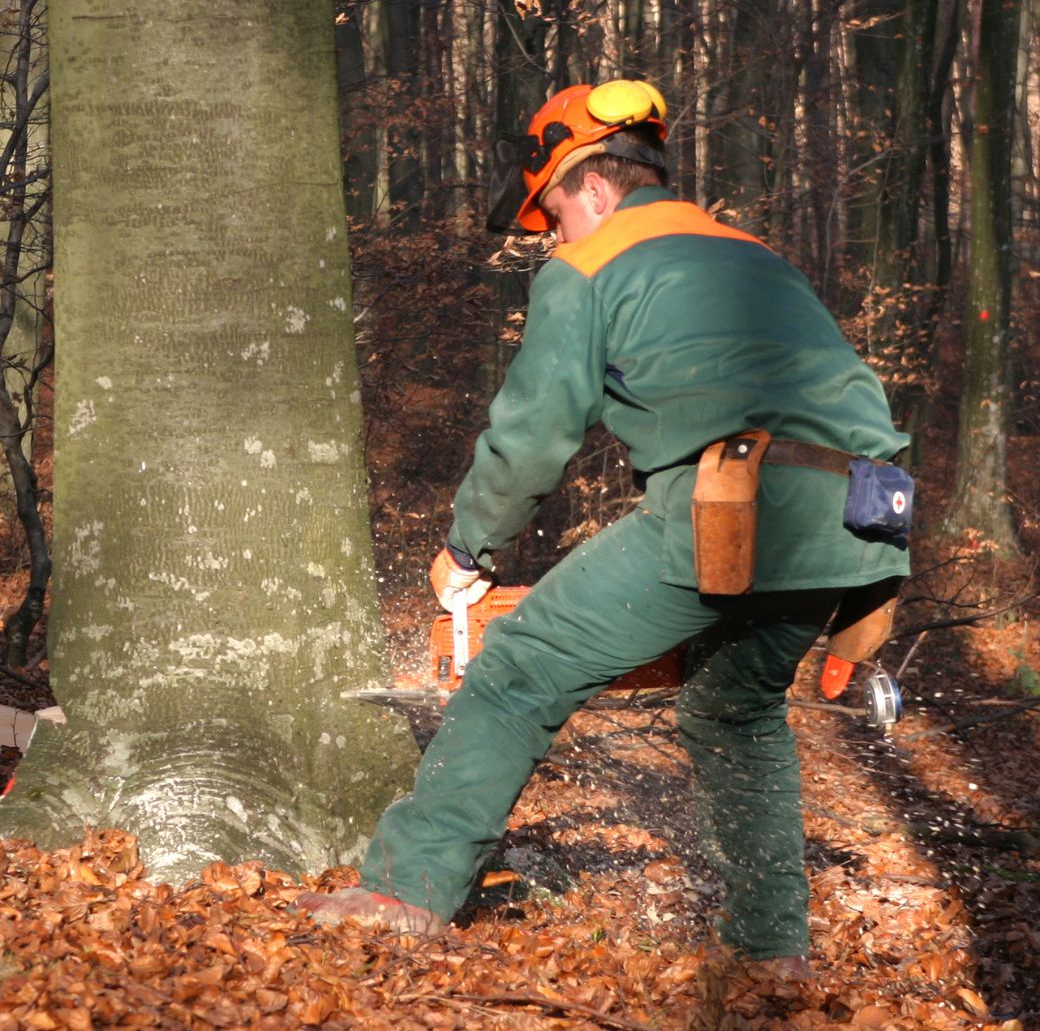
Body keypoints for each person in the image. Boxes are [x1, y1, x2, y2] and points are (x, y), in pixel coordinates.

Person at [294, 80, 911, 972]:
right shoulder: (753, 256)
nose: (549, 233)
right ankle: (772, 951)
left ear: (589, 185)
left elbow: (534, 431)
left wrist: (471, 547)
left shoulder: (593, 263)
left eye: (549, 211)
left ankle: (403, 892)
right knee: (734, 713)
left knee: (516, 670)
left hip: (734, 503)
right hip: (860, 518)